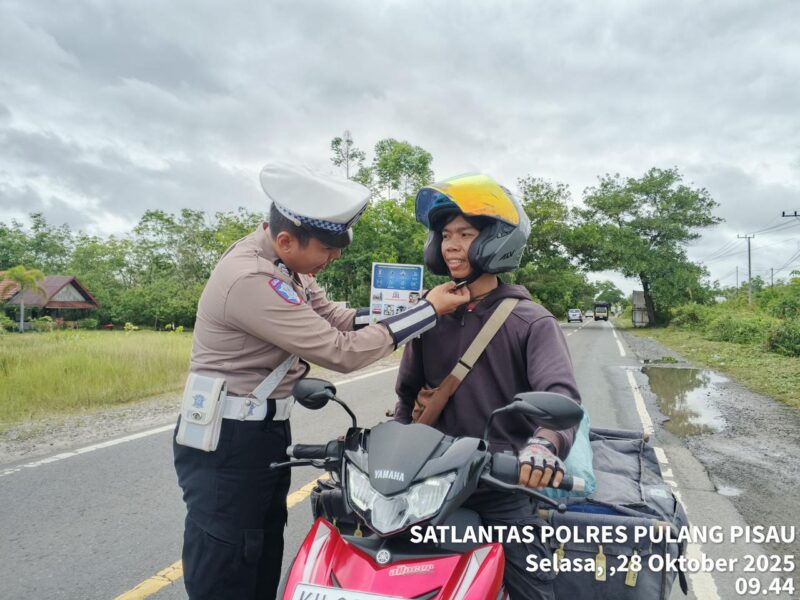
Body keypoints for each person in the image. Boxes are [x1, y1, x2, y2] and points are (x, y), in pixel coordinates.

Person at [173, 163, 470, 600]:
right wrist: (426, 314)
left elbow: (337, 318)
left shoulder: (286, 263)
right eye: (326, 251)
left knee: (260, 542)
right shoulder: (251, 278)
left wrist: (418, 307)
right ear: (287, 239)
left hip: (261, 430)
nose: (332, 260)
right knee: (228, 552)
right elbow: (339, 350)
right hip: (227, 437)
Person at [393, 173, 582, 600]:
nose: (452, 245)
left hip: (500, 484)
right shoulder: (431, 315)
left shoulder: (530, 321)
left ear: (496, 241)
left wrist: (542, 448)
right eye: (445, 235)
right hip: (429, 483)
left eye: (465, 234)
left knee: (533, 590)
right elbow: (407, 398)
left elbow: (561, 396)